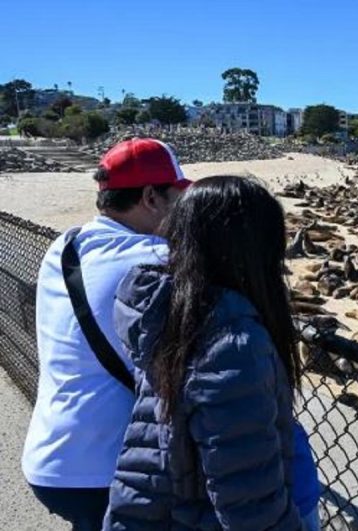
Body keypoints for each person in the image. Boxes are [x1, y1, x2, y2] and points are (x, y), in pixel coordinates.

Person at [105, 176, 318, 530]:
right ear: (255, 248)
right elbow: (249, 504)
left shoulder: (165, 313)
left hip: (144, 505)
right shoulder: (231, 345)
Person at [22, 138, 191, 531]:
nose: (184, 209)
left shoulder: (65, 245)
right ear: (151, 197)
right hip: (106, 470)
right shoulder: (155, 261)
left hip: (48, 457)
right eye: (178, 196)